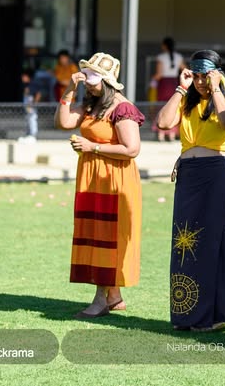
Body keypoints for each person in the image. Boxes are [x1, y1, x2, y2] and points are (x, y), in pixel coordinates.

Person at [155, 50, 225, 332]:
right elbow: (163, 122)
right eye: (197, 76)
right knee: (185, 244)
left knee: (211, 245)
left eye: (206, 75)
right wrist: (181, 87)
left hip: (217, 175)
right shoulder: (187, 101)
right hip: (189, 177)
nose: (202, 82)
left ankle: (210, 316)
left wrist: (216, 89)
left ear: (217, 73)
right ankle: (186, 314)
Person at [55, 52, 144, 318]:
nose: (87, 81)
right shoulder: (92, 104)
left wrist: (92, 147)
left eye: (92, 77)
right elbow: (63, 122)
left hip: (114, 180)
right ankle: (114, 296)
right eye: (85, 76)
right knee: (96, 234)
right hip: (93, 177)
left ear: (107, 80)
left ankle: (100, 299)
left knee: (108, 237)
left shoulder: (122, 108)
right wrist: (70, 88)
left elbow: (132, 149)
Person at [153, 37, 186, 141]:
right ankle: (172, 134)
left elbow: (159, 74)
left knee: (161, 106)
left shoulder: (161, 57)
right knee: (174, 106)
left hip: (164, 84)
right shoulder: (179, 56)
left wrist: (152, 81)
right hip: (174, 83)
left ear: (164, 45)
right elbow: (184, 69)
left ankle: (161, 134)